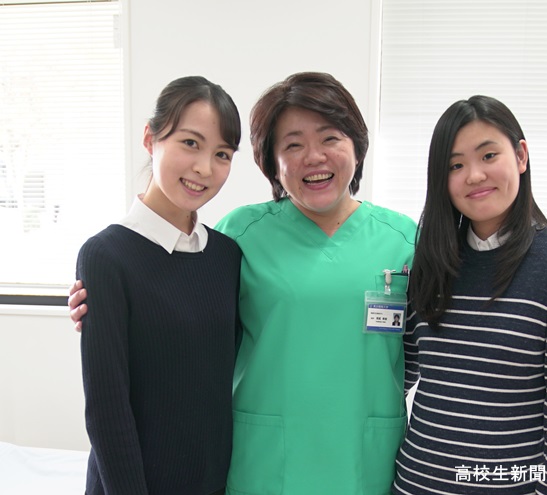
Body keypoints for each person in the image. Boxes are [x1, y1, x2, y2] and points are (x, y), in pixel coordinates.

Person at [70, 72, 417, 495]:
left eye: (330, 138)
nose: (314, 157)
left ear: (357, 146)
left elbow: (432, 344)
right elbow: (174, 302)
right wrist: (99, 303)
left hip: (363, 459)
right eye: (293, 145)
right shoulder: (240, 236)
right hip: (264, 463)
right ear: (271, 162)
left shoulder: (405, 240)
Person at [392, 96, 547, 495]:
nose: (474, 175)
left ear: (521, 155)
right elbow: (399, 376)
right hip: (415, 483)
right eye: (455, 166)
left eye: (488, 155)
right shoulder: (431, 260)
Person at [75, 76, 242, 495]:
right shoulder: (106, 256)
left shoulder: (227, 256)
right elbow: (106, 411)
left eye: (222, 154)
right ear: (151, 139)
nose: (204, 168)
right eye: (190, 143)